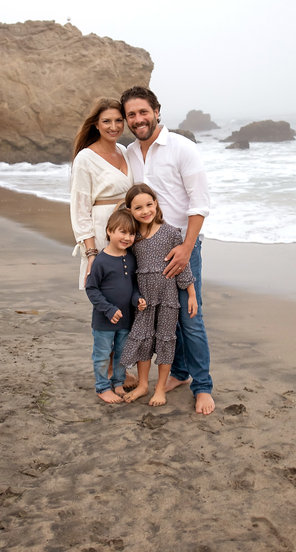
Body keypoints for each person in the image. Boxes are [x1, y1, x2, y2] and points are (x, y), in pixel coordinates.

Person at [120, 86, 215, 415]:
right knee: (164, 318)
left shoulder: (182, 148)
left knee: (190, 319)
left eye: (143, 112)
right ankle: (178, 373)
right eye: (131, 114)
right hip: (145, 251)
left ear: (157, 111)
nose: (138, 119)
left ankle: (203, 387)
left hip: (180, 247)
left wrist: (186, 249)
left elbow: (200, 203)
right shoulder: (130, 153)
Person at [121, 184, 197, 407]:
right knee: (143, 340)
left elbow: (184, 268)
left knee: (165, 340)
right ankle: (143, 385)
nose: (145, 211)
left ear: (156, 204)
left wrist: (191, 295)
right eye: (138, 208)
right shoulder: (133, 238)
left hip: (167, 299)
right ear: (130, 210)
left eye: (149, 204)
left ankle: (160, 388)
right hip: (143, 300)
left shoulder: (171, 232)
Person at [70, 97, 134, 289]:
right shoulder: (85, 158)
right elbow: (80, 210)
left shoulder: (124, 151)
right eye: (106, 121)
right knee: (109, 297)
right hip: (102, 234)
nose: (113, 126)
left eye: (118, 120)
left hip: (129, 231)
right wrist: (91, 253)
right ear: (96, 125)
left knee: (129, 297)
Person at [85, 208, 146, 404]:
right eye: (122, 231)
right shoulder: (101, 261)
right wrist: (109, 309)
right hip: (104, 320)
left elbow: (133, 286)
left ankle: (118, 382)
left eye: (131, 233)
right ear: (109, 231)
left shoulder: (131, 258)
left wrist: (137, 299)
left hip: (126, 319)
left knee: (122, 353)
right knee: (102, 355)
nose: (127, 237)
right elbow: (92, 289)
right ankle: (102, 387)